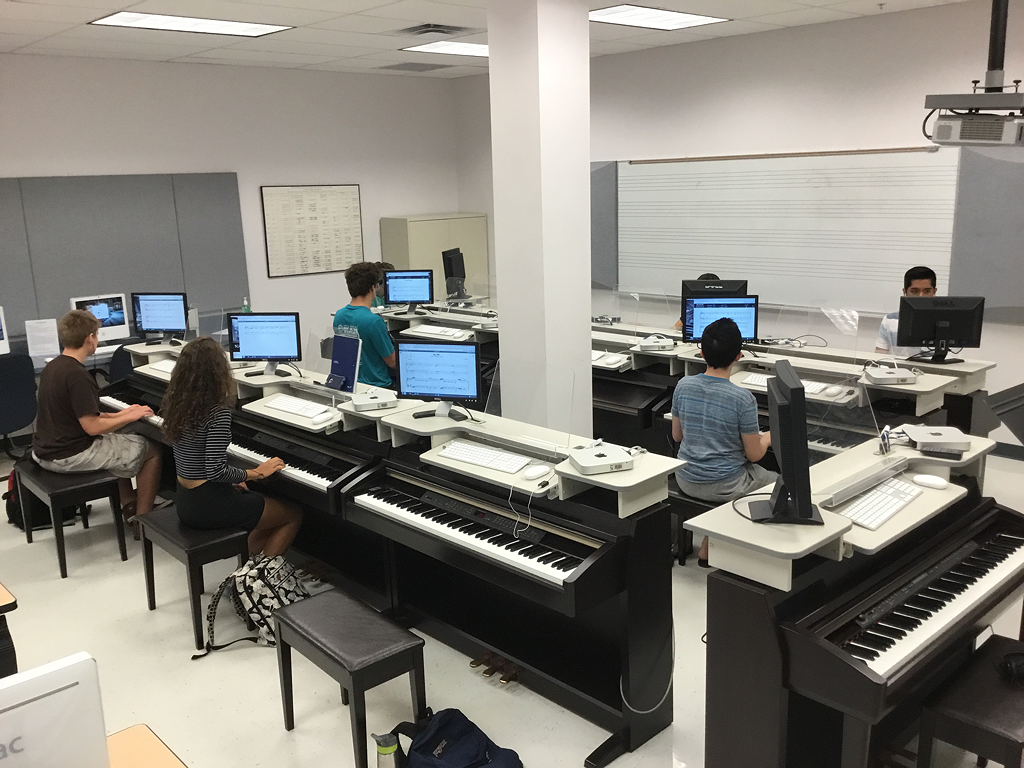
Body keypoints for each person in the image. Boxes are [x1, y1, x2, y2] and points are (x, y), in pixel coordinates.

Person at [161, 337, 301, 558]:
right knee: (293, 513)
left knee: (254, 502)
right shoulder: (217, 411)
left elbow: (195, 459)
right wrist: (256, 472)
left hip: (187, 502)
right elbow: (215, 470)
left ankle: (245, 570)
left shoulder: (178, 404)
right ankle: (257, 580)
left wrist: (234, 478)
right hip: (210, 505)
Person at [33, 310, 163, 531]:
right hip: (68, 455)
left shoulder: (54, 366)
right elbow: (92, 427)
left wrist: (123, 414)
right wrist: (130, 416)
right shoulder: (77, 375)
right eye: (97, 335)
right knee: (152, 450)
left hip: (45, 450)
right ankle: (144, 522)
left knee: (118, 437)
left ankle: (129, 504)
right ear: (89, 338)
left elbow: (85, 415)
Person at [671, 317, 777, 566]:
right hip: (725, 484)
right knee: (780, 484)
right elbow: (754, 456)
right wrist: (769, 437)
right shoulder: (743, 398)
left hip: (685, 478)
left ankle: (711, 540)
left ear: (701, 353)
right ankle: (738, 551)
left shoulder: (683, 385)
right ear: (739, 356)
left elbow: (677, 436)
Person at [333, 261, 396, 388]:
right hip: (379, 385)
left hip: (354, 383)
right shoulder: (374, 321)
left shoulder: (339, 316)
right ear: (373, 287)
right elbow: (392, 362)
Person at [875, 265, 937, 357]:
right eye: (914, 291)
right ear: (905, 292)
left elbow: (953, 359)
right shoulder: (889, 320)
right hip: (900, 370)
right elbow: (879, 356)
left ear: (934, 292)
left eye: (927, 291)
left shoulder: (946, 322)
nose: (921, 296)